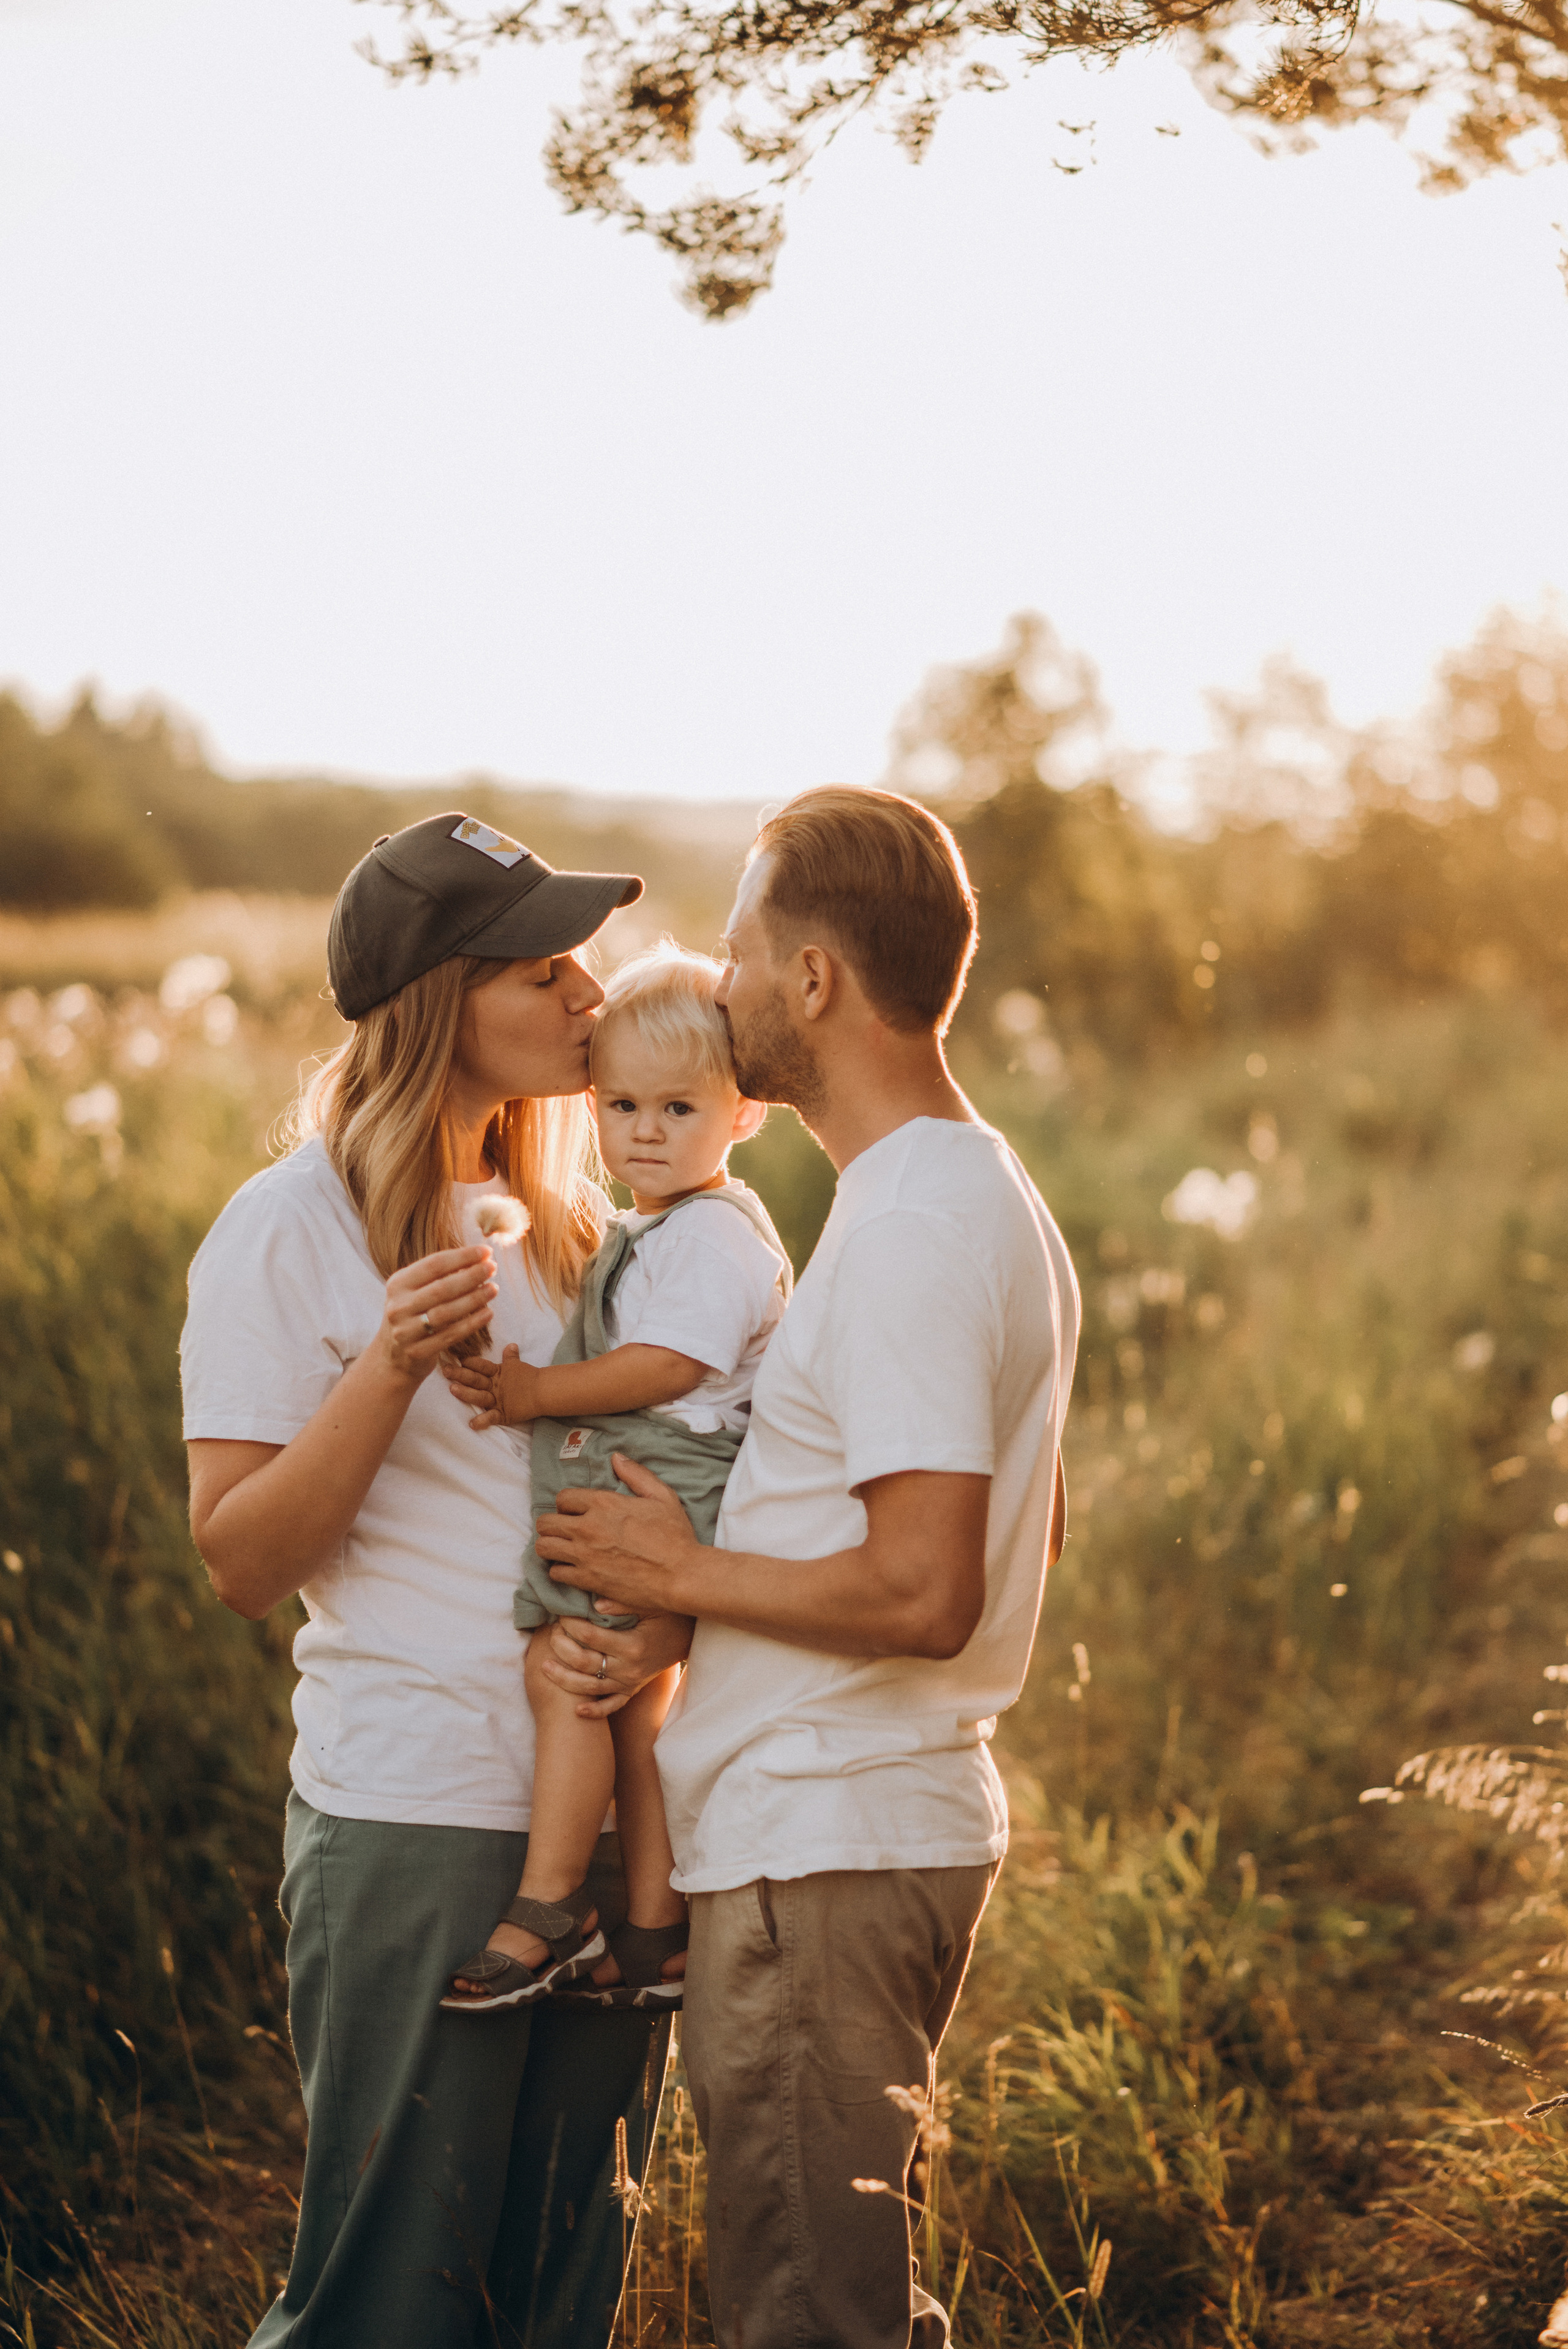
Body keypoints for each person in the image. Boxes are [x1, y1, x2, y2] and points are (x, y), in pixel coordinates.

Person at [532, 785, 1080, 2349]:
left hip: (822, 1847)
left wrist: (678, 1570)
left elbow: (926, 1591)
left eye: (736, 951)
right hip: (846, 1832)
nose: (719, 984)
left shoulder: (908, 1225)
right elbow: (1028, 1519)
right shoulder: (963, 1188)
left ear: (815, 979)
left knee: (804, 2318)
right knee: (852, 2302)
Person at [179, 812, 690, 2349]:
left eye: (585, 962)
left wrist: (665, 1623)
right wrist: (391, 1362)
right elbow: (241, 1559)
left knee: (560, 2283)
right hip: (419, 1816)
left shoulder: (584, 1228)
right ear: (435, 1002)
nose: (590, 995)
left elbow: (658, 1495)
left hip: (609, 1829)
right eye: (544, 972)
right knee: (391, 2297)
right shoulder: (286, 1231)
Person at [438, 944, 791, 2014]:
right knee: (632, 1709)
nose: (645, 1130)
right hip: (647, 1470)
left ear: (743, 1113)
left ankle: (552, 1906)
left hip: (663, 1477)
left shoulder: (716, 1236)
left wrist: (538, 1393)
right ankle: (654, 1929)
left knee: (568, 1676)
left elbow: (669, 1366)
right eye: (622, 1103)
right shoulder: (659, 1226)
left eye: (679, 1107)